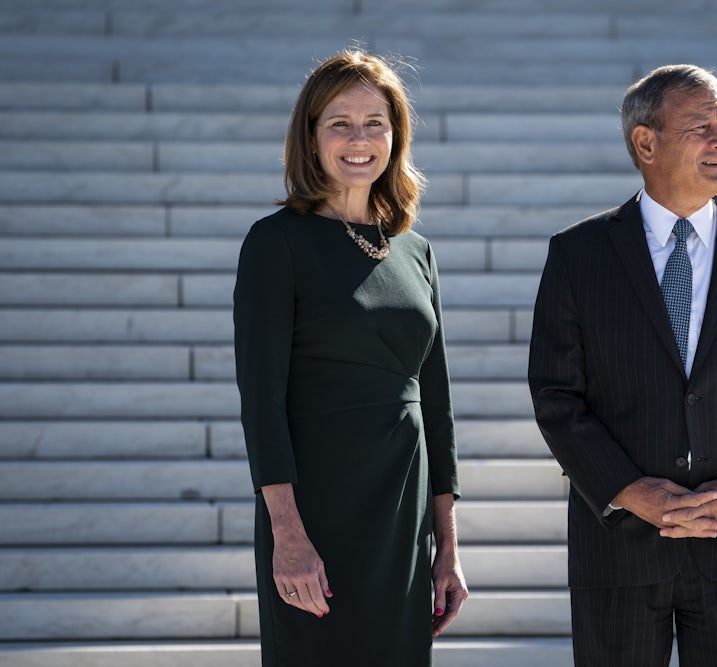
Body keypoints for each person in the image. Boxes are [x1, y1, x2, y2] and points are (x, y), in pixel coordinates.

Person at [527, 64, 717, 667]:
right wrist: (630, 491)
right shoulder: (578, 254)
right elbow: (557, 394)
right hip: (619, 549)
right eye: (701, 127)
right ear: (646, 143)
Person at [233, 50, 468, 667]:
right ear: (310, 137)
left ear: (396, 135)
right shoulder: (275, 242)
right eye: (339, 122)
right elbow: (261, 400)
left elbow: (437, 406)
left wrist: (447, 548)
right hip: (319, 508)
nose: (359, 139)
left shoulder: (416, 250)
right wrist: (287, 535)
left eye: (375, 122)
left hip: (403, 508)